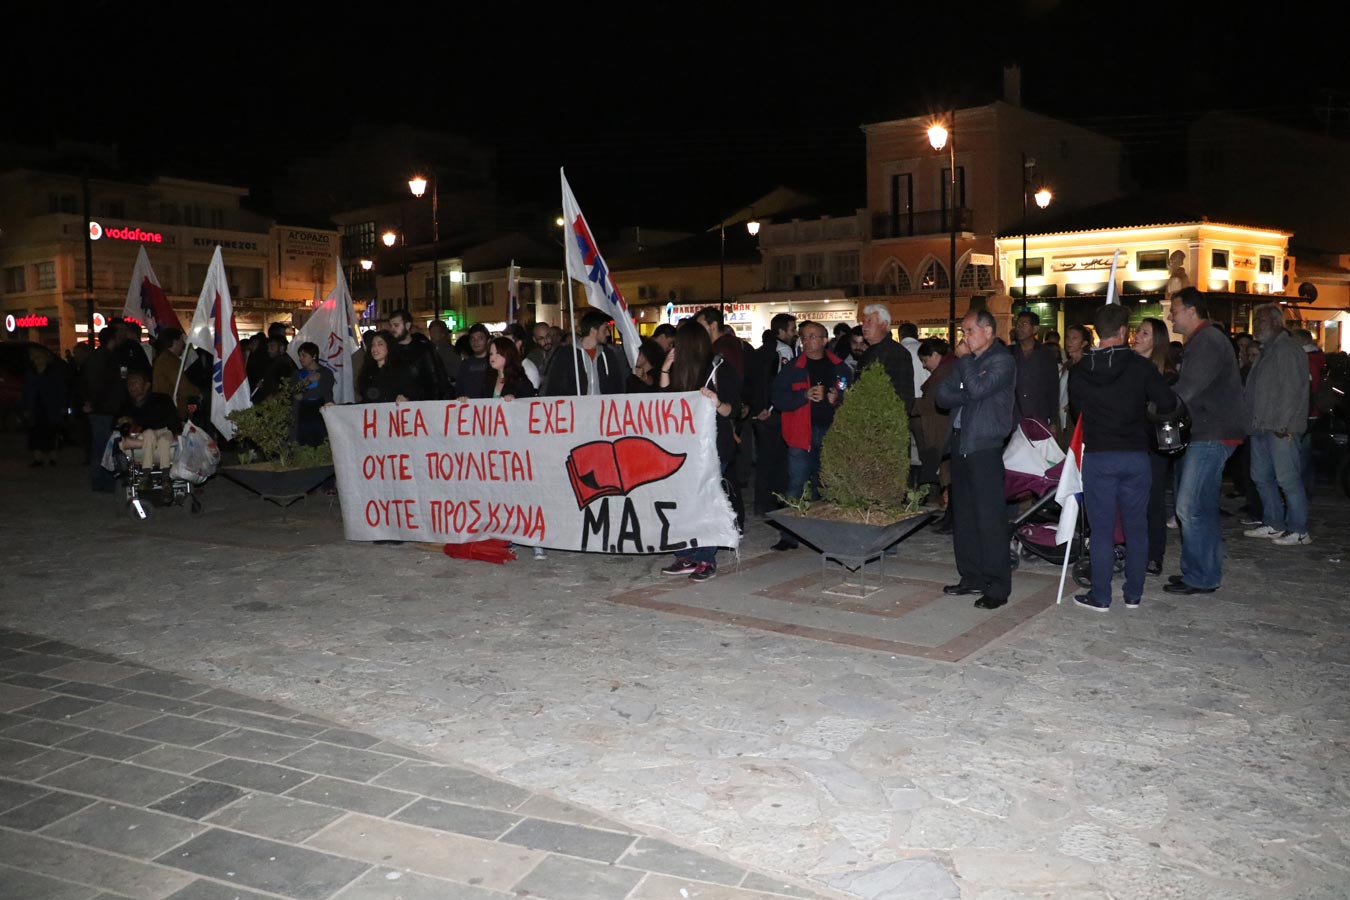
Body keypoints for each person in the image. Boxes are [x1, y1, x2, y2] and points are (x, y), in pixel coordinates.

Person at [1069, 304, 1178, 612]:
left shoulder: (1081, 369)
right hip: (1135, 454)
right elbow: (1167, 402)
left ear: (1096, 332)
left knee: (1102, 530)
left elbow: (1076, 413)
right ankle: (1133, 594)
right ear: (1123, 331)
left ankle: (1101, 595)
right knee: (1136, 527)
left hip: (1100, 455)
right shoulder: (1140, 367)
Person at [1163, 287, 1245, 595]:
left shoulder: (1207, 341)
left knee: (1189, 506)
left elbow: (1188, 389)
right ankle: (1201, 571)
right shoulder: (1204, 340)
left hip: (1212, 433)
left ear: (1191, 310)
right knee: (1203, 507)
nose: (1171, 316)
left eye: (1174, 310)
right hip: (1209, 431)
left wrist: (1155, 403)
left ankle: (1200, 576)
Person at [934, 309, 1016, 610]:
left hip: (984, 445)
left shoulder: (1001, 360)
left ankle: (997, 586)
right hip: (960, 443)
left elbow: (979, 388)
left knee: (989, 519)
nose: (964, 337)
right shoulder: (967, 363)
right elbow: (942, 396)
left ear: (987, 331)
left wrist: (966, 367)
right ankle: (972, 577)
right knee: (965, 516)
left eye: (969, 331)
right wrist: (967, 388)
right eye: (963, 332)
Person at [658, 319, 742, 582]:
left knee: (706, 502)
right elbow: (663, 401)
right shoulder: (680, 371)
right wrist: (665, 368)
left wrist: (716, 402)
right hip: (686, 448)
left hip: (714, 447)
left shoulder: (719, 368)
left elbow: (733, 410)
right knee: (683, 502)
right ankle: (686, 554)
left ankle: (706, 557)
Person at [768, 321, 851, 550]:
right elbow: (777, 398)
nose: (807, 341)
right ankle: (788, 536)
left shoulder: (840, 368)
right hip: (800, 435)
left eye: (813, 336)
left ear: (825, 340)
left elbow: (850, 394)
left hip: (831, 434)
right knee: (796, 485)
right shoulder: (793, 368)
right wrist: (803, 395)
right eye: (803, 337)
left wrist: (838, 399)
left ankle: (825, 533)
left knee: (827, 485)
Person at [1241, 304, 1313, 547]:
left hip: (1280, 427)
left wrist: (1284, 424)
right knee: (1261, 477)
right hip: (1262, 425)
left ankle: (1299, 529)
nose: (1255, 326)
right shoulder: (1268, 350)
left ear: (1274, 322)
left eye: (1259, 321)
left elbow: (1293, 389)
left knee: (1288, 479)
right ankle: (1274, 522)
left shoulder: (1287, 349)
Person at [1131, 317, 1178, 575]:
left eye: (1145, 333)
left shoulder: (1166, 376)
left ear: (1157, 341)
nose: (1138, 336)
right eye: (1138, 331)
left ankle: (1154, 554)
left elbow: (1166, 408)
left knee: (1153, 499)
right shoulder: (1128, 367)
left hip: (1153, 444)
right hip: (1128, 442)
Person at [913, 338, 955, 531]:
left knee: (949, 475)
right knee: (948, 476)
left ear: (936, 355)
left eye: (925, 360)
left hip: (943, 430)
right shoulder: (946, 369)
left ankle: (951, 517)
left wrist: (910, 404)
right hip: (943, 429)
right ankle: (950, 515)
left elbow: (932, 403)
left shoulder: (944, 372)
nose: (924, 365)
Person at [115, 369, 181, 484]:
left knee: (162, 439)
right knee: (147, 435)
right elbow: (116, 424)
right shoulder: (126, 405)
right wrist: (123, 423)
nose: (131, 386)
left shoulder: (162, 400)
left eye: (135, 382)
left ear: (146, 385)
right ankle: (146, 475)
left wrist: (134, 421)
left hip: (163, 435)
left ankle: (165, 477)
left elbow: (169, 419)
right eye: (129, 383)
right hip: (141, 440)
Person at [83, 325, 127, 492]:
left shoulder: (97, 356)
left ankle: (100, 481)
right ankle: (104, 481)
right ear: (112, 339)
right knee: (104, 447)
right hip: (105, 408)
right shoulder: (107, 358)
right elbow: (101, 384)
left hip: (101, 408)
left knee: (100, 446)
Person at [542, 310, 625, 396]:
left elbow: (618, 387)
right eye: (605, 329)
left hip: (603, 405)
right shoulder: (567, 355)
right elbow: (554, 387)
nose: (608, 334)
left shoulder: (608, 355)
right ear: (593, 330)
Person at [856, 304, 915, 414]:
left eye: (870, 321)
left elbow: (904, 395)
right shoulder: (867, 353)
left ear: (884, 324)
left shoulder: (897, 353)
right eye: (863, 322)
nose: (864, 326)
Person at [1011, 310, 1060, 430]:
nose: (1019, 328)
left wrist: (1053, 421)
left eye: (1024, 324)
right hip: (1014, 418)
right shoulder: (1009, 353)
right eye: (1017, 324)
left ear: (1035, 329)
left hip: (1039, 417)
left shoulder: (1046, 354)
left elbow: (1053, 388)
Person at [390, 309, 450, 401]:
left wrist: (413, 399)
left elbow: (436, 383)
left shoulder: (424, 350)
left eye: (396, 325)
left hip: (422, 406)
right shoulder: (390, 351)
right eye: (391, 326)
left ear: (407, 326)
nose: (392, 329)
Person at [22, 347, 65, 467]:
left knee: (51, 432)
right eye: (35, 358)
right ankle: (37, 458)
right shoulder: (30, 373)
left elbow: (60, 389)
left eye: (40, 357)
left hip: (50, 407)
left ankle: (53, 458)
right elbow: (25, 391)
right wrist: (25, 406)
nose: (37, 360)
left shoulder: (53, 372)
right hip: (35, 407)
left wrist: (62, 405)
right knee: (35, 433)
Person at [292, 341, 336, 446]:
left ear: (314, 356)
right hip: (302, 412)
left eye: (304, 355)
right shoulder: (297, 373)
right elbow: (294, 392)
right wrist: (307, 381)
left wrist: (304, 395)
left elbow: (324, 391)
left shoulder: (325, 373)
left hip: (320, 411)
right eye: (300, 356)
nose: (301, 358)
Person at [465, 337, 536, 401]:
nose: (492, 357)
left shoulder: (521, 382)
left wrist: (515, 401)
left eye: (497, 353)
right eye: (491, 354)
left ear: (508, 355)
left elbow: (529, 405)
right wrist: (467, 401)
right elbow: (481, 403)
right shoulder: (488, 380)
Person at [356, 330, 417, 403]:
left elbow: (414, 394)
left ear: (389, 346)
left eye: (380, 344)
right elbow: (366, 400)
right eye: (373, 345)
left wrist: (406, 399)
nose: (375, 348)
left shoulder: (400, 371)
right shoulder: (367, 372)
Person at [151, 327, 191, 420]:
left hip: (164, 407)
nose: (183, 344)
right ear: (175, 342)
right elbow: (181, 385)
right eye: (181, 340)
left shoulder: (164, 358)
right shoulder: (170, 361)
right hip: (171, 409)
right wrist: (199, 393)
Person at [427, 319, 461, 396]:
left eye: (435, 331)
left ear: (442, 334)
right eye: (431, 332)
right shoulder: (428, 350)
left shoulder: (451, 351)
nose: (432, 334)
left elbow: (455, 372)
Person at [459, 324, 492, 396]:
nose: (476, 342)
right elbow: (459, 389)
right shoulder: (465, 364)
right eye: (472, 339)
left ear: (488, 341)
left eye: (480, 338)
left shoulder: (493, 362)